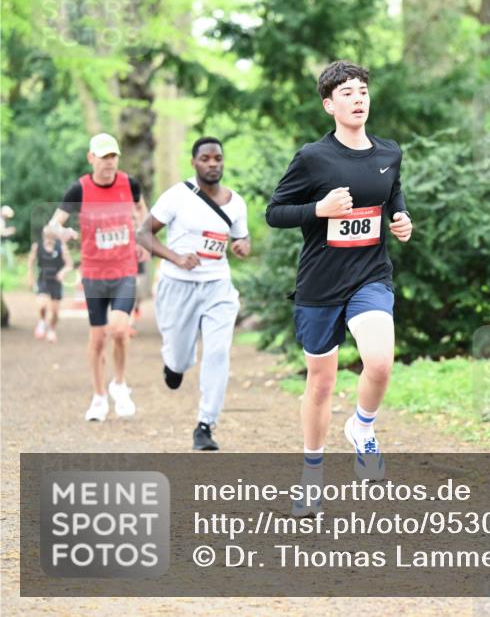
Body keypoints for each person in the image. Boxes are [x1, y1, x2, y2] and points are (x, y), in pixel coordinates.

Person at [266, 60, 413, 508]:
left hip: (370, 276)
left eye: (363, 90)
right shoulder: (313, 157)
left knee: (380, 362)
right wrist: (319, 210)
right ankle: (312, 479)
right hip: (320, 284)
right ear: (330, 104)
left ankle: (362, 427)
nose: (358, 98)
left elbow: (393, 196)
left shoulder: (389, 153)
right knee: (322, 383)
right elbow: (275, 212)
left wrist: (400, 219)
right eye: (347, 92)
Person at [137, 136, 250, 451]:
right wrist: (175, 257)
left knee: (217, 353)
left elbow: (242, 239)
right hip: (178, 286)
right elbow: (143, 232)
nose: (212, 163)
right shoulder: (177, 196)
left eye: (217, 158)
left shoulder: (236, 203)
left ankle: (205, 425)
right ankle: (173, 365)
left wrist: (243, 247)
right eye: (205, 158)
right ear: (194, 162)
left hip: (218, 286)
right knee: (180, 357)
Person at [48, 133, 147, 422]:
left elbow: (141, 210)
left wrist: (142, 237)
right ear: (92, 158)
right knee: (97, 339)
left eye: (113, 156)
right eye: (103, 157)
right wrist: (61, 231)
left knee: (119, 329)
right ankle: (99, 397)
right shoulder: (78, 189)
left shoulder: (129, 184)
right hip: (94, 273)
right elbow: (53, 224)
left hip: (124, 270)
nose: (109, 162)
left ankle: (119, 384)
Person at [25, 225, 73, 342]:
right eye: (47, 235)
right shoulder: (37, 247)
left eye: (52, 235)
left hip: (56, 281)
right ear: (44, 235)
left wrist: (63, 273)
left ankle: (51, 329)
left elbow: (69, 264)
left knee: (55, 311)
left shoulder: (61, 247)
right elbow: (31, 262)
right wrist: (30, 277)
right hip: (43, 279)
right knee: (41, 305)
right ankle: (41, 322)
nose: (49, 237)